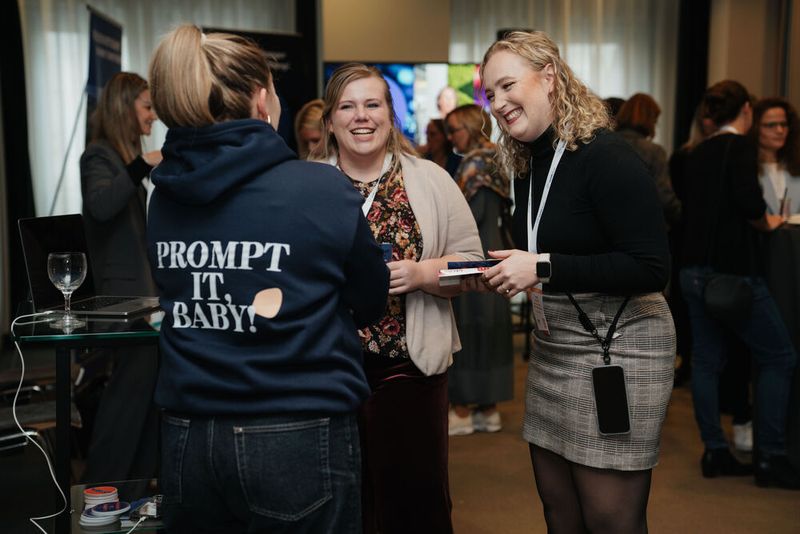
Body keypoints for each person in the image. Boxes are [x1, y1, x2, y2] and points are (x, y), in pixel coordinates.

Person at [147, 26, 390, 532]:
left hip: (186, 436)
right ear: (262, 99)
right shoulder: (321, 188)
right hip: (296, 431)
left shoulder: (163, 195)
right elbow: (370, 298)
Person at [476, 31, 675, 533]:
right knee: (559, 510)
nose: (498, 103)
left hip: (620, 345)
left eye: (506, 86)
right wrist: (503, 270)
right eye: (489, 94)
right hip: (556, 343)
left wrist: (542, 267)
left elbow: (652, 267)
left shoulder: (606, 156)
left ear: (549, 77)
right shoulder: (525, 162)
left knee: (610, 519)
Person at [310, 63, 482, 534]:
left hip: (409, 371)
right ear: (330, 121)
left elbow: (476, 267)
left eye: (372, 104)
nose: (361, 116)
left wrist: (424, 273)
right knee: (339, 503)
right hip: (325, 374)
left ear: (390, 115)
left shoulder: (431, 179)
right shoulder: (305, 185)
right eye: (347, 106)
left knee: (415, 505)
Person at [680, 80, 799, 489]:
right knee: (780, 356)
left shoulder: (696, 151)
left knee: (707, 363)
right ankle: (772, 456)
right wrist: (770, 222)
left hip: (692, 270)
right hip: (732, 273)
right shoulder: (740, 147)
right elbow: (750, 204)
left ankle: (715, 450)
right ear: (747, 110)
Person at [79, 71, 162, 483]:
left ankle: (133, 495)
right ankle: (99, 494)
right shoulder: (97, 155)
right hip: (120, 306)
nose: (153, 116)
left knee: (146, 405)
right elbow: (100, 206)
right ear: (124, 107)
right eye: (147, 107)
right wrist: (140, 166)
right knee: (124, 409)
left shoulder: (119, 159)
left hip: (143, 304)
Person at [444, 104, 513, 436]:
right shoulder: (495, 159)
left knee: (468, 331)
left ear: (471, 128)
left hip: (473, 256)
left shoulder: (475, 165)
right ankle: (488, 409)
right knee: (489, 331)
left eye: (454, 129)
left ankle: (461, 409)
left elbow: (468, 220)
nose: (449, 136)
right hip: (494, 250)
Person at [616, 93, 682, 228]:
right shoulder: (654, 152)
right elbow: (664, 197)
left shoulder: (605, 144)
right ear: (649, 120)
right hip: (644, 228)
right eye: (655, 120)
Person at [750, 97, 800, 215]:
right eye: (771, 125)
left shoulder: (796, 165)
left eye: (784, 124)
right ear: (755, 128)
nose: (780, 130)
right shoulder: (747, 168)